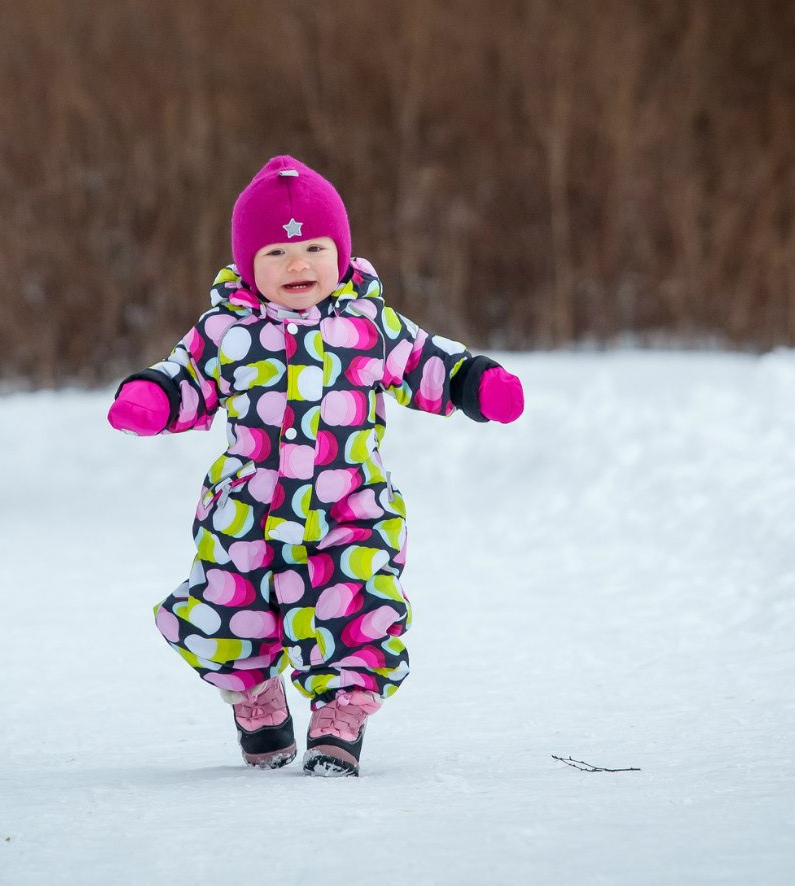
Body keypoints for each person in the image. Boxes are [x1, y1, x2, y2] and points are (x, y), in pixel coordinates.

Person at [107, 155, 524, 776]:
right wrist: (155, 399)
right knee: (228, 607)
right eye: (275, 254)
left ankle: (339, 718)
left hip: (349, 505)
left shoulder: (370, 323)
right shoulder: (227, 329)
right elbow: (187, 375)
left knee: (355, 604)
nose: (296, 265)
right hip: (249, 508)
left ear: (341, 252)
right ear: (249, 266)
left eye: (313, 248)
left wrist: (476, 383)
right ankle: (256, 698)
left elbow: (427, 361)